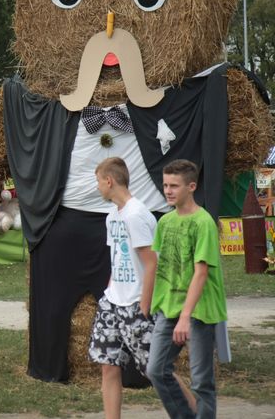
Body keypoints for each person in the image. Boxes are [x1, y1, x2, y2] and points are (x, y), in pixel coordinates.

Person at [146, 159, 227, 419]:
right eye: (165, 185)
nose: (168, 190)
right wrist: (152, 303)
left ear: (191, 186)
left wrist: (185, 317)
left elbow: (201, 272)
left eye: (174, 186)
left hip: (198, 311)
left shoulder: (203, 223)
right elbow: (163, 267)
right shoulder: (165, 222)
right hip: (169, 308)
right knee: (156, 370)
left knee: (201, 381)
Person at [88, 158, 158, 419]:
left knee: (157, 371)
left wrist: (144, 307)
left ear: (109, 181)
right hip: (112, 303)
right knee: (108, 366)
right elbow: (118, 258)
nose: (97, 188)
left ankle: (192, 413)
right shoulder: (112, 215)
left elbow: (152, 264)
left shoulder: (136, 214)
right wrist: (109, 293)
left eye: (98, 182)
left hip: (135, 304)